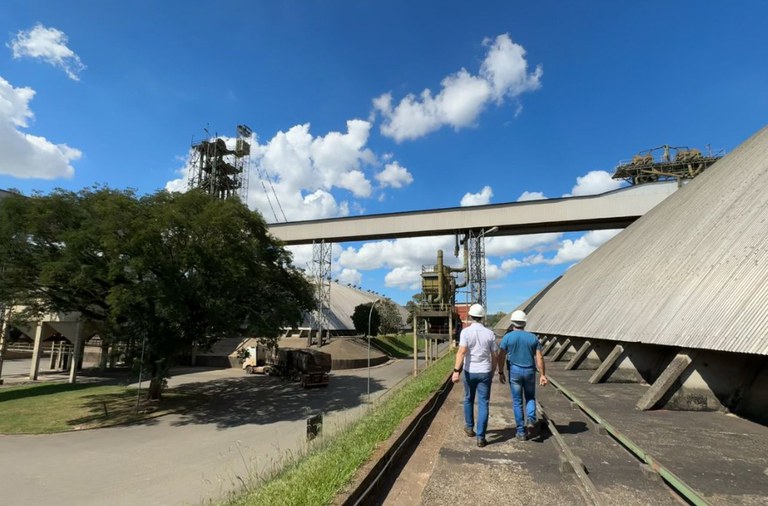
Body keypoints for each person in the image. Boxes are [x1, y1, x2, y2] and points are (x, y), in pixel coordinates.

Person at [452, 303, 498, 448]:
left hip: (469, 371)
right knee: (483, 403)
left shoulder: (465, 332)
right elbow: (494, 355)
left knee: (468, 399)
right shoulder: (490, 333)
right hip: (484, 371)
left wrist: (456, 371)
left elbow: (461, 352)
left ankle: (469, 427)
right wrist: (492, 371)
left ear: (470, 316)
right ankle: (481, 437)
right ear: (482, 317)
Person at [497, 309, 547, 441]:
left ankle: (521, 432)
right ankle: (531, 419)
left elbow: (501, 356)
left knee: (517, 402)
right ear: (524, 323)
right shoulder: (533, 338)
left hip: (514, 372)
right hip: (530, 371)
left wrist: (501, 372)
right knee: (530, 397)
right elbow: (539, 357)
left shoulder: (507, 337)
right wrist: (542, 375)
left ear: (512, 322)